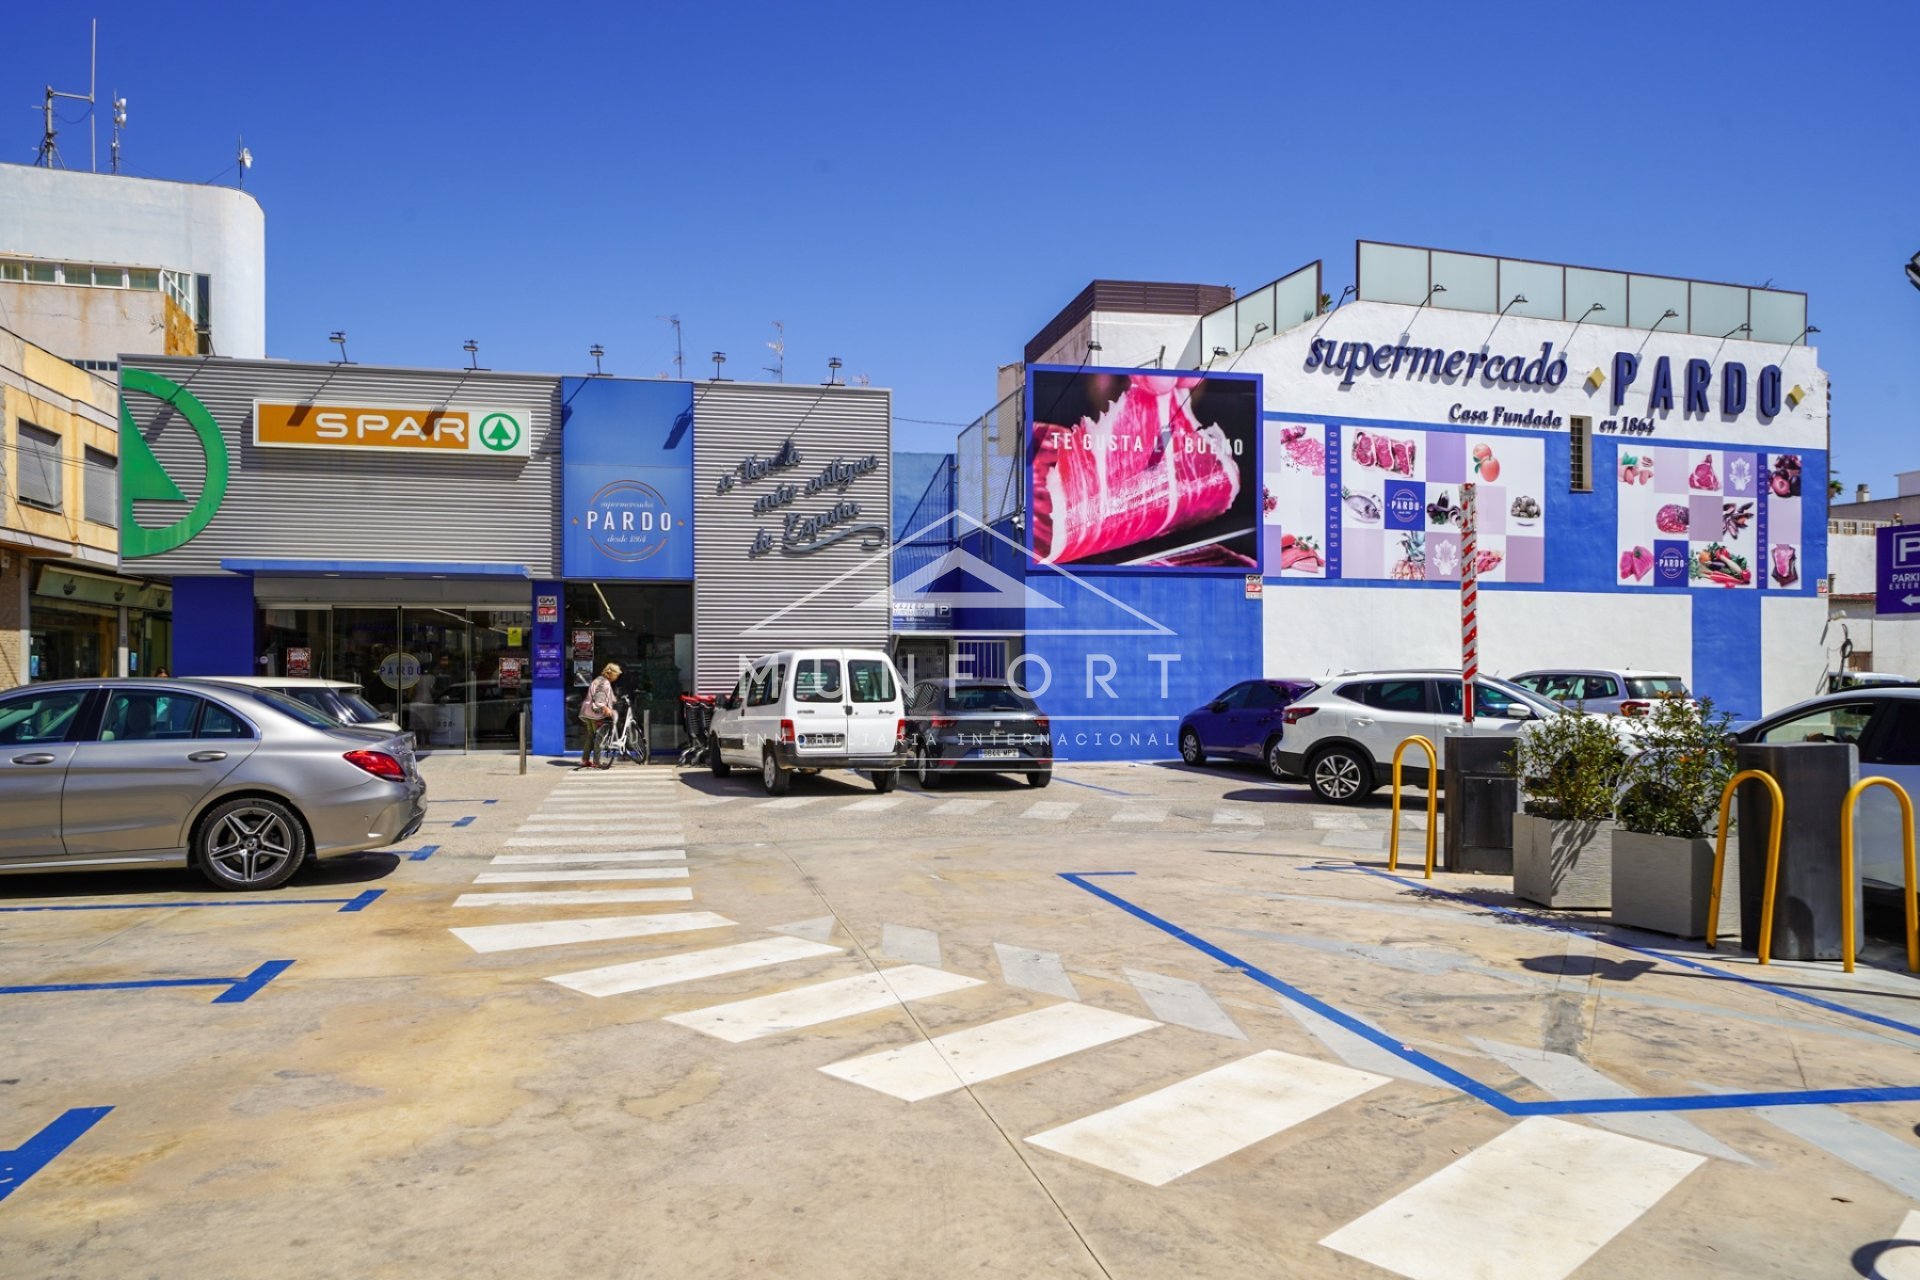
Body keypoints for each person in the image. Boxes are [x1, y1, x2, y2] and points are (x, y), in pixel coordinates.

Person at [578, 662, 621, 768]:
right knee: (599, 737)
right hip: (595, 713)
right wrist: (605, 707)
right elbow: (599, 698)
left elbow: (607, 695)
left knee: (590, 736)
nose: (617, 677)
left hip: (587, 712)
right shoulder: (604, 683)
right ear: (612, 674)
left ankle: (584, 760)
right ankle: (597, 762)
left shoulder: (598, 680)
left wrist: (614, 700)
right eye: (617, 675)